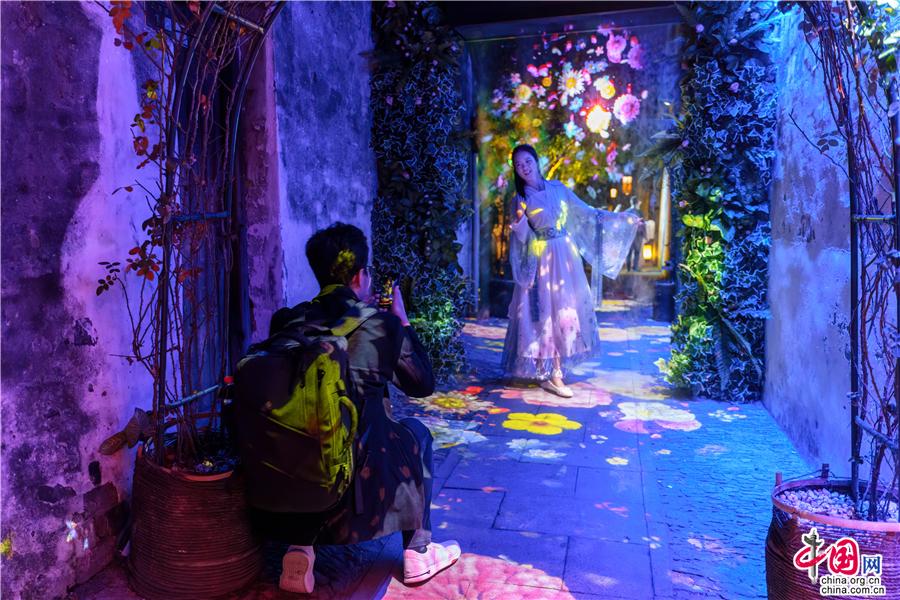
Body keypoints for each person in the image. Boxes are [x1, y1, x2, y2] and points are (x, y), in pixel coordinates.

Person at [258, 223, 460, 593]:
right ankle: (418, 550)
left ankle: (300, 549)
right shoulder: (380, 326)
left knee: (309, 438)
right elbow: (421, 385)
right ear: (359, 276)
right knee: (416, 433)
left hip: (288, 484)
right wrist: (401, 321)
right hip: (361, 497)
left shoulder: (287, 321)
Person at [501, 144, 638, 397]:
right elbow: (521, 237)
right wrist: (519, 224)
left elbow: (586, 212)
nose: (524, 167)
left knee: (564, 310)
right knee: (544, 312)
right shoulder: (520, 198)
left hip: (564, 255)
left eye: (527, 161)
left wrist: (622, 219)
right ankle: (550, 373)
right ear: (516, 171)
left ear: (536, 161)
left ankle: (555, 371)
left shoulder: (558, 188)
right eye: (519, 165)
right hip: (541, 257)